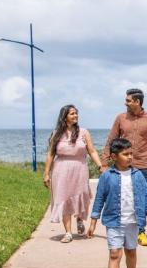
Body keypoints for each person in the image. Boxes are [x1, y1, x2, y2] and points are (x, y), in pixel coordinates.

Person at [88, 138, 147, 268]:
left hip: (133, 221)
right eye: (125, 154)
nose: (129, 157)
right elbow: (99, 200)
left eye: (131, 154)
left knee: (131, 252)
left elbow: (146, 195)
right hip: (114, 221)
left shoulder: (137, 175)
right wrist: (93, 222)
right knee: (114, 254)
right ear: (113, 156)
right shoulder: (106, 176)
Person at [100, 88, 147, 247]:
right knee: (122, 197)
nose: (125, 103)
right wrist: (104, 163)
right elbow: (111, 140)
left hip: (142, 166)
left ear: (137, 102)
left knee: (141, 199)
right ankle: (121, 229)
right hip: (121, 166)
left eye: (128, 100)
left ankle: (141, 232)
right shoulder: (120, 118)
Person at [43, 104, 103, 243]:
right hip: (61, 170)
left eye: (76, 113)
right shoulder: (56, 133)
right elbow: (51, 154)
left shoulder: (84, 132)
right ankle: (68, 233)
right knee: (64, 198)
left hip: (80, 168)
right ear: (64, 117)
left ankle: (80, 219)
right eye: (72, 113)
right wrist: (46, 173)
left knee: (81, 196)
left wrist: (100, 166)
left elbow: (92, 151)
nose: (75, 115)